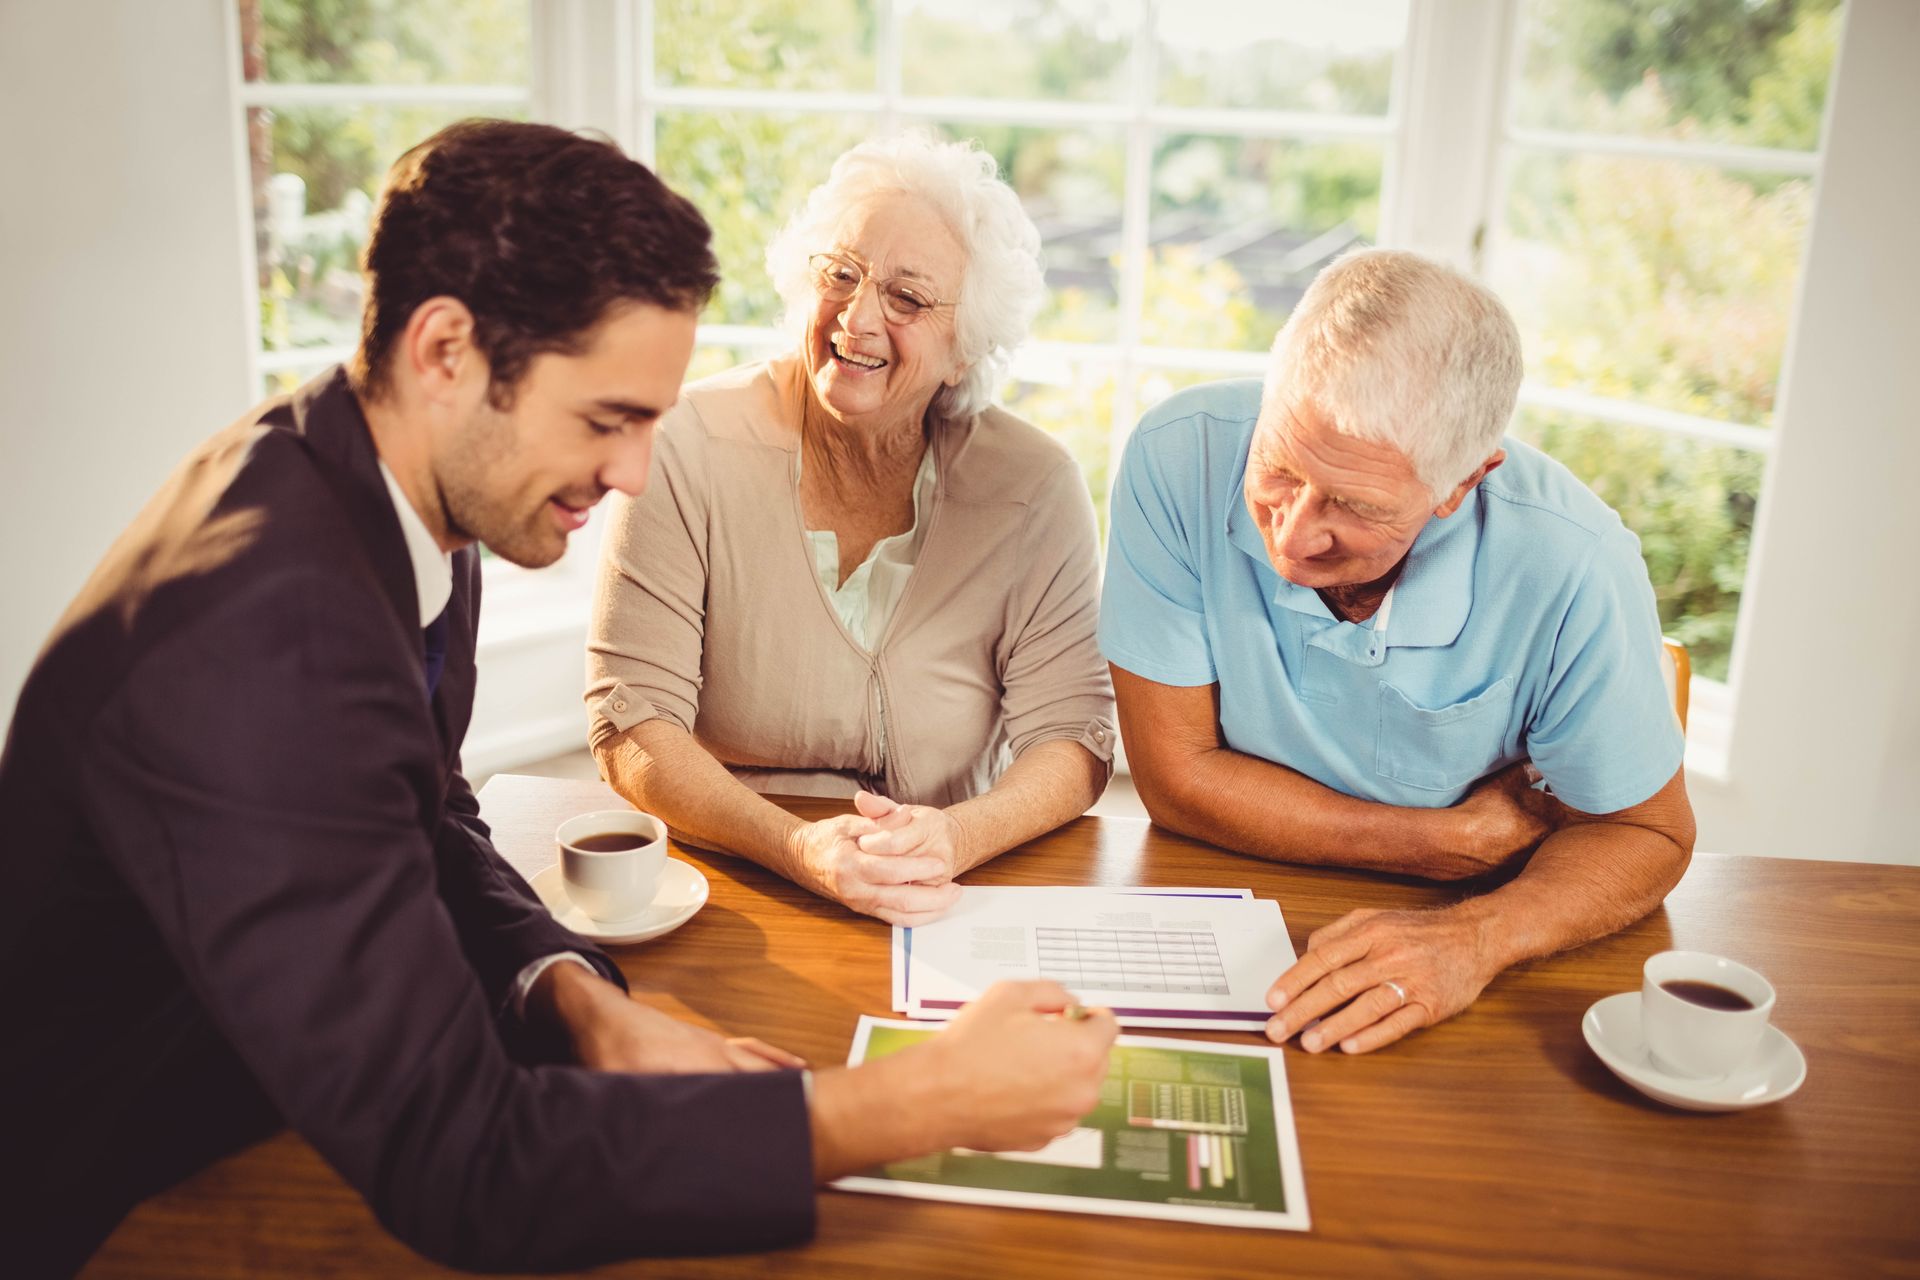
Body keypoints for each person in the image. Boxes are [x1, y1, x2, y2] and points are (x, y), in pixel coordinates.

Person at [0, 120, 1116, 1276]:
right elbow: (467, 1158)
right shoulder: (263, 646)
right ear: (447, 352)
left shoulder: (387, 479)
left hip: (262, 1092)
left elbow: (425, 809)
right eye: (607, 420)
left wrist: (573, 994)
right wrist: (911, 1102)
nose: (636, 471)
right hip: (96, 1198)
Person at [1100, 248, 1695, 1057]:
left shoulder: (1575, 561)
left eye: (1353, 504)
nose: (1295, 533)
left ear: (1464, 482)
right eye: (1278, 467)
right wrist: (1438, 841)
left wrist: (1474, 938)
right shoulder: (1177, 455)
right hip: (1226, 896)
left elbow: (1648, 834)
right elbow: (1175, 777)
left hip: (1468, 946)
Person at [586, 133, 1115, 926]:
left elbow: (1073, 738)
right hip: (736, 876)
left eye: (906, 298)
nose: (858, 317)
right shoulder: (687, 446)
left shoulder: (1032, 487)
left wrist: (955, 838)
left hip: (944, 894)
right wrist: (797, 849)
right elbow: (630, 722)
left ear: (964, 349)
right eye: (841, 275)